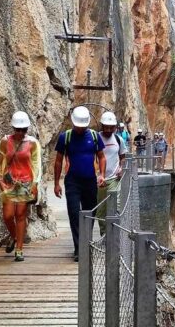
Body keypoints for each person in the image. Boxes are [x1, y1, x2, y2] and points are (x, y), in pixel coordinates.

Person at [53, 106, 106, 262]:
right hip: (72, 182)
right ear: (73, 123)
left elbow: (101, 156)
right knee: (74, 214)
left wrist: (101, 174)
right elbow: (58, 161)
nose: (81, 129)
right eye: (78, 126)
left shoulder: (95, 137)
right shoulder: (65, 137)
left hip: (90, 181)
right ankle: (79, 248)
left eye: (83, 126)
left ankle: (85, 243)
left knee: (90, 213)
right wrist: (56, 183)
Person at [0, 111, 41, 262]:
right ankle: (14, 237)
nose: (20, 132)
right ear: (13, 128)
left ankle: (19, 249)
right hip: (9, 183)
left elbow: (36, 164)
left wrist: (35, 183)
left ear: (27, 129)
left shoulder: (33, 143)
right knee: (8, 216)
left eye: (23, 129)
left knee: (20, 215)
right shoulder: (5, 141)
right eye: (17, 129)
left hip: (25, 183)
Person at [96, 112, 127, 234]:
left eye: (111, 127)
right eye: (106, 127)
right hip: (99, 181)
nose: (109, 130)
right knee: (101, 211)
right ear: (102, 125)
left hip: (114, 179)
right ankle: (104, 235)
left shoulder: (118, 140)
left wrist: (121, 168)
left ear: (115, 127)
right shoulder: (95, 137)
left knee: (115, 207)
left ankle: (115, 234)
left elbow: (122, 157)